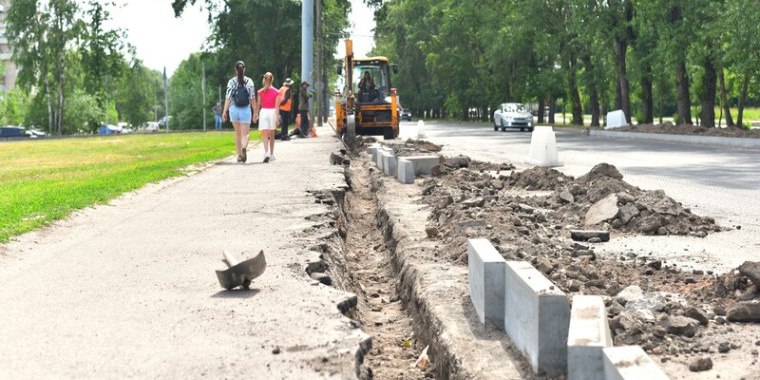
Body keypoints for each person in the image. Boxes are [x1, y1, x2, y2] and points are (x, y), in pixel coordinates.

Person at [222, 61, 258, 163]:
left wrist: (224, 111)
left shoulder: (231, 82)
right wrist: (255, 112)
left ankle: (239, 155)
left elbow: (228, 98)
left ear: (235, 70)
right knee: (245, 134)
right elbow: (252, 99)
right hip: (245, 110)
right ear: (244, 69)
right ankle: (244, 148)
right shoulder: (249, 82)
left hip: (234, 110)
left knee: (238, 133)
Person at [256, 72, 280, 163]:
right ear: (272, 80)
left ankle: (266, 153)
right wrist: (277, 118)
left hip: (264, 112)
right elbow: (277, 107)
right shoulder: (277, 92)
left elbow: (258, 105)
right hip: (272, 112)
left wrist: (255, 114)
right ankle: (271, 154)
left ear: (264, 80)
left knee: (265, 134)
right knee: (272, 135)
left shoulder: (260, 92)